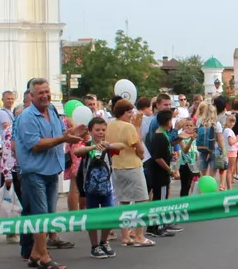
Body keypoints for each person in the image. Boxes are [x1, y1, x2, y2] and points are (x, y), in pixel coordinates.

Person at [12, 78, 87, 269]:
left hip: (52, 169)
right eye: (40, 93)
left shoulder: (52, 111)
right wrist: (63, 138)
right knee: (40, 215)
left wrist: (72, 132)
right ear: (32, 95)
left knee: (49, 214)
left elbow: (61, 132)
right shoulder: (26, 117)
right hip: (34, 171)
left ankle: (35, 254)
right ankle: (44, 257)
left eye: (47, 92)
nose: (45, 96)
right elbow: (36, 145)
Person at [74, 116, 125, 258]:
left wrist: (108, 146)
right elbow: (77, 152)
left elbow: (122, 146)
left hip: (106, 187)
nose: (100, 132)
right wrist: (93, 146)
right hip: (90, 188)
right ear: (90, 131)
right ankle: (94, 245)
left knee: (109, 216)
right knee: (92, 217)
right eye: (97, 130)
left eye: (103, 129)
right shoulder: (87, 145)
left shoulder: (108, 146)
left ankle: (104, 241)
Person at [106, 99, 153, 247]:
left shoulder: (109, 125)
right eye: (129, 112)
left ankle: (125, 236)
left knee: (124, 201)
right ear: (122, 113)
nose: (132, 114)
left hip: (117, 166)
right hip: (132, 165)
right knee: (142, 200)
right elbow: (138, 146)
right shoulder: (129, 127)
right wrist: (140, 155)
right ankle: (139, 235)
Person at [145, 109, 178, 237]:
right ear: (168, 121)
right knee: (160, 201)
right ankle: (156, 227)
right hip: (160, 174)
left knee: (158, 199)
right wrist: (170, 170)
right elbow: (158, 158)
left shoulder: (162, 135)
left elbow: (165, 151)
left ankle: (153, 226)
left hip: (159, 174)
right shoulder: (159, 136)